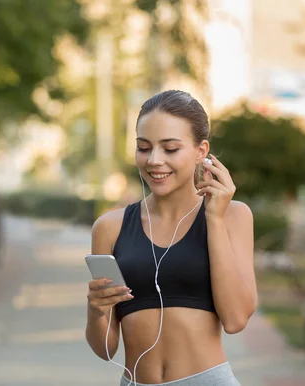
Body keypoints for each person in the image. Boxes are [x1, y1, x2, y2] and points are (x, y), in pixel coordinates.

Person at [85, 90, 257, 385]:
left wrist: (213, 219)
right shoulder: (110, 227)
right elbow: (105, 349)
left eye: (170, 148)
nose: (154, 160)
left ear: (201, 150)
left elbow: (235, 319)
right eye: (143, 147)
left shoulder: (232, 216)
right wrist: (96, 310)